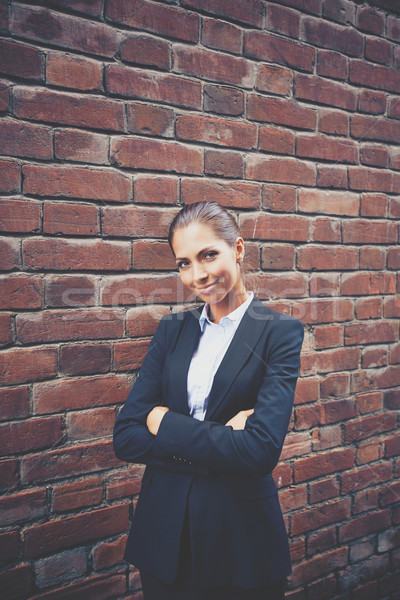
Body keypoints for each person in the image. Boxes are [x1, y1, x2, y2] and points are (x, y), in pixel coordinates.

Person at [113, 201, 304, 600]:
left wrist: (164, 423)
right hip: (165, 538)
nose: (197, 275)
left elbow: (259, 451)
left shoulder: (280, 334)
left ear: (238, 249)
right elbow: (126, 437)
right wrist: (221, 439)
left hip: (242, 540)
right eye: (184, 263)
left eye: (208, 255)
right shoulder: (172, 330)